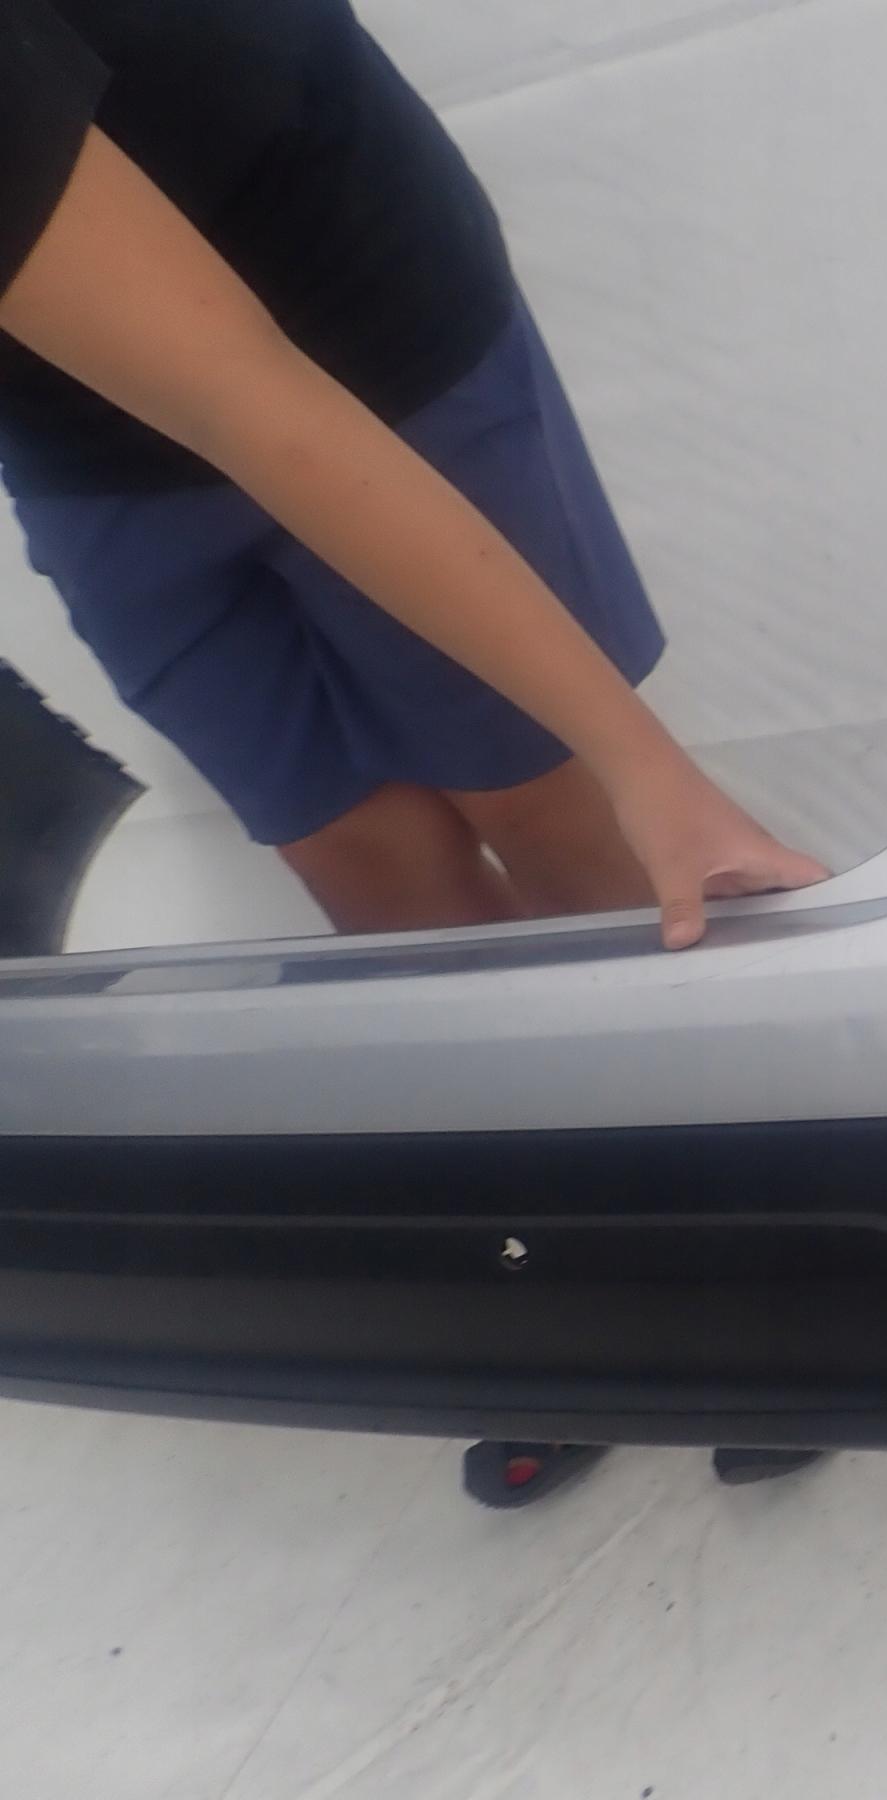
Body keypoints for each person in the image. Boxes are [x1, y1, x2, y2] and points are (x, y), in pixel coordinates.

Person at [2, 0, 825, 1504]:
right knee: (373, 883)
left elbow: (262, 409)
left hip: (351, 322)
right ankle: (569, 1270)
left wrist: (646, 766)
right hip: (76, 433)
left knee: (559, 826)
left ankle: (762, 1254)